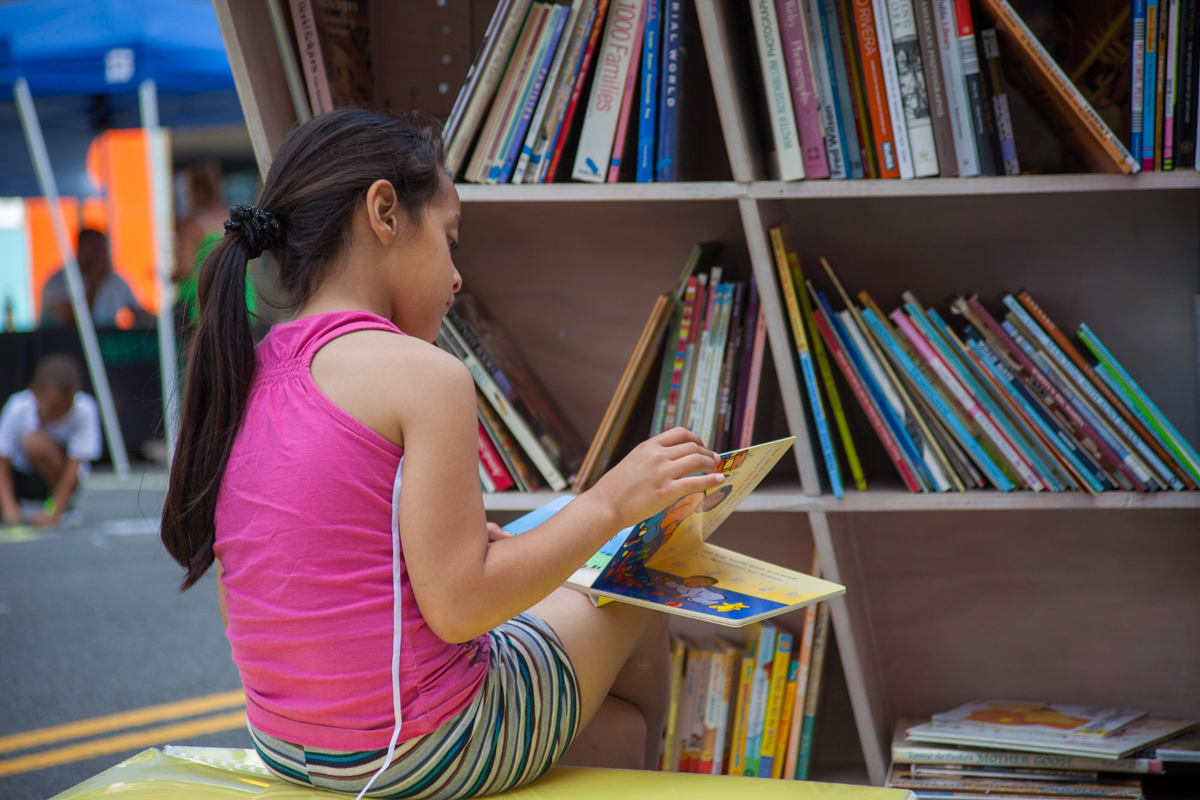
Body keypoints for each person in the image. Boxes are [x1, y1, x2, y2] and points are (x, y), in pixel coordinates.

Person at [159, 109, 726, 799]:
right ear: (385, 212)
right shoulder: (423, 375)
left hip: (285, 742)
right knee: (645, 572)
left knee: (618, 731)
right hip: (421, 745)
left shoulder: (245, 369)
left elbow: (284, 581)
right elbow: (460, 607)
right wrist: (612, 501)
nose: (457, 278)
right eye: (450, 240)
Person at [0, 354, 101, 526]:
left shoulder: (85, 409)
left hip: (56, 481)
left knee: (37, 446)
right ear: (34, 393)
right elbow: (2, 463)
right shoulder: (17, 408)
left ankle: (61, 506)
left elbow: (74, 467)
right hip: (20, 477)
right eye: (54, 407)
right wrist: (9, 508)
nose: (61, 413)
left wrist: (53, 513)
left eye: (67, 407)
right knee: (33, 442)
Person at [173, 163, 255, 324]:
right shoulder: (235, 219)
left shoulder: (191, 224)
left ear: (193, 190)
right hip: (242, 299)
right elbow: (252, 265)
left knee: (202, 347)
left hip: (207, 303)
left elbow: (185, 267)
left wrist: (170, 277)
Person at [39, 229, 147, 328]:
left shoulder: (116, 280)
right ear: (80, 250)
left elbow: (138, 311)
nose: (99, 255)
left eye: (102, 249)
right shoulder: (58, 281)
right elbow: (71, 318)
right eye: (94, 249)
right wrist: (95, 281)